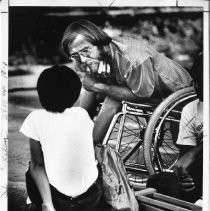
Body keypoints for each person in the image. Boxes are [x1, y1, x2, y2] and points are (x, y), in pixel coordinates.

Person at [61, 19, 193, 144]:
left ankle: (89, 148)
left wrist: (99, 86)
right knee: (92, 91)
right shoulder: (86, 56)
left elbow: (144, 95)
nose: (82, 60)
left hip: (177, 94)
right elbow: (87, 83)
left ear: (100, 43)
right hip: (141, 86)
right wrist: (91, 80)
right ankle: (75, 135)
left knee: (111, 98)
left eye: (85, 51)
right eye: (75, 55)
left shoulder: (132, 58)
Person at [20, 65, 103, 211]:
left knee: (33, 166)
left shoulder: (36, 118)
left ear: (42, 93)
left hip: (60, 202)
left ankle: (43, 204)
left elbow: (37, 166)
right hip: (91, 198)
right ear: (75, 94)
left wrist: (49, 204)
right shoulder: (81, 114)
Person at [174, 53, 203, 203]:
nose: (197, 86)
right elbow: (184, 156)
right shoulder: (190, 109)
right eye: (195, 81)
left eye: (203, 81)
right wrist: (183, 178)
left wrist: (194, 153)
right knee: (157, 181)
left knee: (200, 161)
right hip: (201, 175)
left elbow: (191, 155)